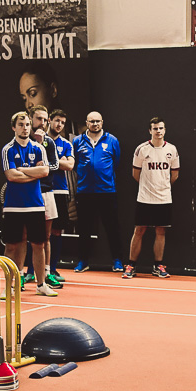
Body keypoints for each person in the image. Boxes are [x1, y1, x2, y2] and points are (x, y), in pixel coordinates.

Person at [0, 111, 58, 297]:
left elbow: (45, 171)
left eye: (27, 125)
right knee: (12, 246)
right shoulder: (8, 149)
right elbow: (10, 175)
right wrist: (33, 172)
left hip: (35, 205)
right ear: (13, 127)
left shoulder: (38, 148)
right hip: (14, 205)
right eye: (21, 125)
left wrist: (23, 171)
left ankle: (41, 285)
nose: (25, 128)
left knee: (39, 244)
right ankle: (10, 286)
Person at [125, 117, 180, 279]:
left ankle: (158, 265)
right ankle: (131, 265)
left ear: (165, 130)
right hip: (144, 197)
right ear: (150, 131)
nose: (158, 131)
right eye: (155, 129)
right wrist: (147, 187)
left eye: (161, 128)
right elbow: (136, 174)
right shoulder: (141, 149)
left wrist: (162, 186)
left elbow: (175, 175)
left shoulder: (172, 149)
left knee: (161, 231)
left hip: (164, 198)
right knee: (139, 230)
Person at [71, 110, 124, 272]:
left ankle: (117, 260)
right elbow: (75, 164)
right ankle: (83, 261)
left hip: (107, 191)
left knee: (112, 228)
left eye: (98, 121)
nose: (95, 124)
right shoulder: (78, 141)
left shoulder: (112, 140)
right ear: (86, 123)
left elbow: (116, 163)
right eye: (92, 121)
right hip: (85, 192)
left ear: (102, 122)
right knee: (84, 229)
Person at [22, 106, 62, 289]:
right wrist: (36, 171)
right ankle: (25, 273)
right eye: (39, 119)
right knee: (23, 236)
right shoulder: (22, 141)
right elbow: (16, 169)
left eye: (45, 120)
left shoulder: (49, 143)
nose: (42, 123)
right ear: (31, 119)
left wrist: (41, 154)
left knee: (45, 237)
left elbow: (53, 166)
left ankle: (46, 273)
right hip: (26, 193)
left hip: (46, 192)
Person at [46, 109, 76, 280]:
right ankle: (30, 271)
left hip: (60, 191)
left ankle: (53, 269)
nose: (59, 125)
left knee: (57, 231)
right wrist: (60, 160)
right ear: (50, 120)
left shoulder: (66, 143)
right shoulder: (40, 141)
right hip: (43, 190)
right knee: (40, 234)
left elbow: (70, 166)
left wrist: (53, 161)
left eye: (62, 122)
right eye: (57, 120)